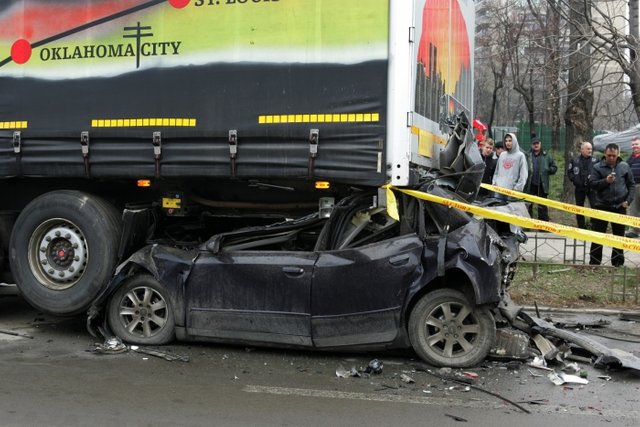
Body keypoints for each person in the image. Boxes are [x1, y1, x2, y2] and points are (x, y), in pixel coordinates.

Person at [588, 143, 635, 267]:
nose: (611, 158)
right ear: (605, 154)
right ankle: (594, 262)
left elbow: (631, 185)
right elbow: (592, 184)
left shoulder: (624, 166)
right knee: (598, 236)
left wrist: (628, 201)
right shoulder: (597, 167)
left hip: (620, 207)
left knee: (619, 237)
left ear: (618, 154)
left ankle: (618, 263)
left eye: (614, 155)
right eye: (609, 155)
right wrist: (606, 181)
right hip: (601, 206)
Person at [524, 137, 557, 221]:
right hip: (530, 184)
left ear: (540, 144)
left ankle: (543, 224)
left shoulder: (546, 155)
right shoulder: (526, 155)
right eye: (534, 144)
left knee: (542, 205)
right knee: (528, 204)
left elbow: (554, 167)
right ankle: (528, 223)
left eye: (537, 143)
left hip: (542, 184)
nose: (536, 145)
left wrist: (548, 170)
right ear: (531, 145)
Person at [567, 141, 598, 229]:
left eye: (591, 149)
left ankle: (594, 226)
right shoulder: (574, 160)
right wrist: (574, 180)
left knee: (594, 206)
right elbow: (569, 172)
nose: (590, 150)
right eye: (588, 149)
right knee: (579, 207)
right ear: (582, 150)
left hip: (592, 188)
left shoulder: (595, 161)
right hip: (579, 188)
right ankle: (581, 226)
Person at [492, 133, 528, 199]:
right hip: (499, 189)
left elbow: (523, 175)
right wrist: (494, 183)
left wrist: (517, 189)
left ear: (514, 141)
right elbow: (496, 171)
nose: (507, 143)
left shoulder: (520, 155)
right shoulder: (502, 155)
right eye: (506, 141)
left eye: (510, 141)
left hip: (512, 192)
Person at [625, 136, 640, 237]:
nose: (634, 146)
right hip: (633, 186)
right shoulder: (630, 158)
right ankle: (634, 231)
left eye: (637, 144)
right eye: (633, 144)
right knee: (633, 209)